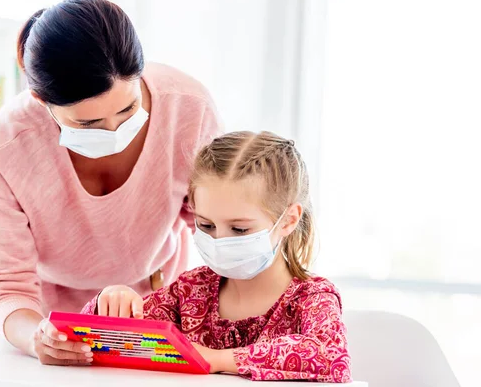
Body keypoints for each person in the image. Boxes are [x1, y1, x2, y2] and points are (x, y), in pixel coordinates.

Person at [0, 0, 221, 365]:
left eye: (128, 109)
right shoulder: (5, 151)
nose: (114, 130)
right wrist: (38, 339)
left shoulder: (188, 108)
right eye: (87, 124)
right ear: (41, 100)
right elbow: (7, 286)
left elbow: (216, 227)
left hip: (157, 307)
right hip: (52, 324)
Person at [82, 131, 352, 382]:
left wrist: (216, 359)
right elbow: (107, 337)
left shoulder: (312, 298)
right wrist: (110, 303)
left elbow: (331, 356)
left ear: (288, 220)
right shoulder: (191, 290)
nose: (220, 241)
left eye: (239, 229)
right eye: (206, 225)